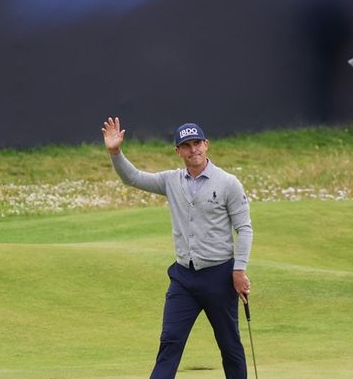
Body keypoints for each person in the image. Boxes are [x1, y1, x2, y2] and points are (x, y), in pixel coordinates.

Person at [101, 118, 253, 379]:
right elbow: (133, 178)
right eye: (186, 145)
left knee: (229, 346)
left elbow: (244, 229)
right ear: (178, 151)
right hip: (184, 278)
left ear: (206, 145)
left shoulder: (228, 183)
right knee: (170, 342)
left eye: (197, 143)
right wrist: (116, 152)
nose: (193, 150)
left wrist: (239, 270)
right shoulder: (171, 181)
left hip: (219, 276)